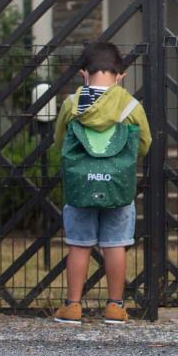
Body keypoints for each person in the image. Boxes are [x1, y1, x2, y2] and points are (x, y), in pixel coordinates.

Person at [52, 42, 151, 325]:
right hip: (117, 185)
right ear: (121, 75)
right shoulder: (130, 106)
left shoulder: (72, 104)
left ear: (84, 74)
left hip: (80, 185)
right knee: (116, 245)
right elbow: (144, 144)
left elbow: (60, 141)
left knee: (79, 245)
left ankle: (72, 306)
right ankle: (115, 307)